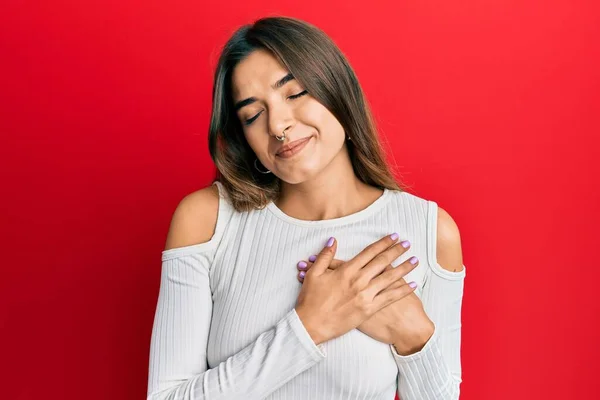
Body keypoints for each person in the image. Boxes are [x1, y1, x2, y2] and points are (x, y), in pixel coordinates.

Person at [146, 16, 466, 400]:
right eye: (252, 115)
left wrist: (415, 336)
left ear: (338, 92)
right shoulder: (207, 220)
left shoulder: (429, 231)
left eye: (294, 93)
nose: (278, 125)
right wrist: (310, 326)